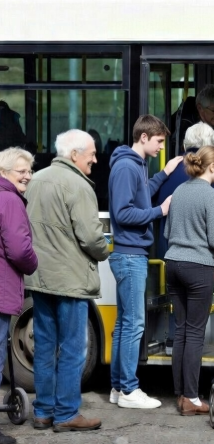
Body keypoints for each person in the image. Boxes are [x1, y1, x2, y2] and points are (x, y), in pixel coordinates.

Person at [25, 129, 109, 433]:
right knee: (73, 348)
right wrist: (105, 250)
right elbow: (91, 237)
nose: (95, 159)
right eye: (92, 154)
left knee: (44, 346)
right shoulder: (79, 185)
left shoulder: (36, 180)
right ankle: (66, 413)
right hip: (70, 280)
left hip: (40, 277)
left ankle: (43, 411)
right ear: (74, 155)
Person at [108, 115, 182, 410]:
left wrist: (164, 173)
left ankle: (118, 387)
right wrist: (159, 211)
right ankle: (128, 389)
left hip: (129, 254)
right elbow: (123, 213)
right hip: (130, 255)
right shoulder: (127, 167)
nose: (161, 147)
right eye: (159, 141)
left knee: (125, 324)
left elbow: (140, 195)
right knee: (134, 324)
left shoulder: (135, 164)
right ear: (143, 137)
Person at [164, 146, 214, 416]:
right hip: (198, 267)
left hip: (173, 264)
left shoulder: (180, 190)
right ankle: (192, 398)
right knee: (195, 333)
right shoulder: (212, 195)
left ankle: (181, 394)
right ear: (212, 166)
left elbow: (168, 232)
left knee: (181, 331)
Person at [0, 148, 38, 444]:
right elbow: (18, 249)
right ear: (4, 172)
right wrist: (33, 263)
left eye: (29, 171)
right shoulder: (10, 200)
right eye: (21, 171)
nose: (27, 176)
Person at [155, 121, 214, 259]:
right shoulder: (210, 172)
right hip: (199, 256)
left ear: (184, 145)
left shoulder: (170, 168)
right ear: (212, 148)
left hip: (168, 252)